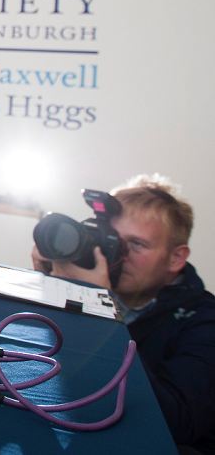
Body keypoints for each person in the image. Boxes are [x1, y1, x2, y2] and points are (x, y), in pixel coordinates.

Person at [31, 175, 215, 452]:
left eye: (137, 244)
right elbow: (40, 365)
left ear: (176, 258)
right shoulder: (89, 286)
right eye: (112, 239)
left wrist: (97, 306)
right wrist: (48, 288)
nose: (118, 252)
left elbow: (178, 422)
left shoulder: (204, 318)